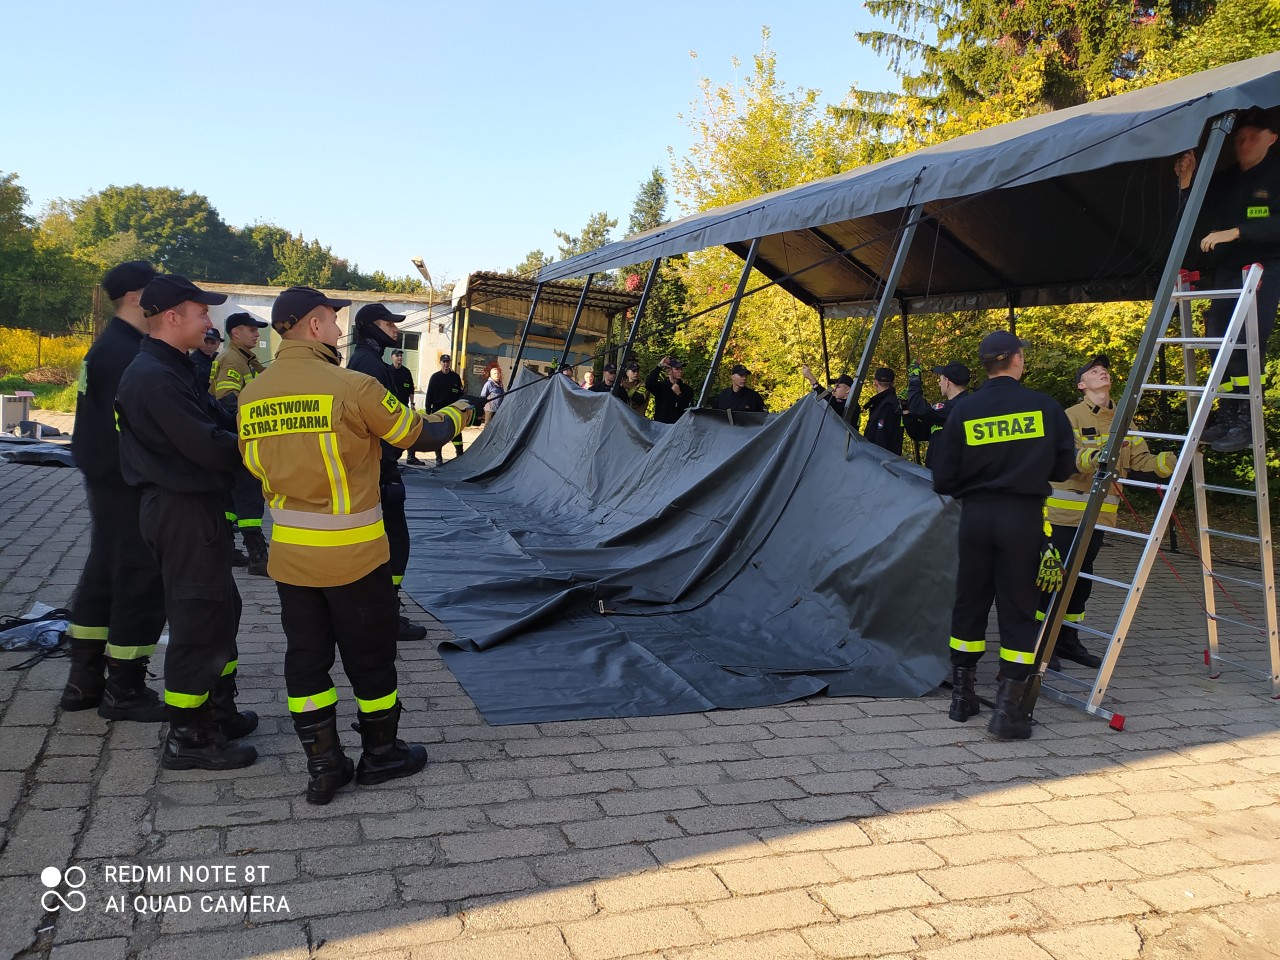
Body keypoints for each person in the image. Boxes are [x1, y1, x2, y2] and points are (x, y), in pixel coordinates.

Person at [238, 285, 473, 804]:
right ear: (313, 325)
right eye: (332, 319)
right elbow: (420, 433)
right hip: (356, 557)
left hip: (290, 558)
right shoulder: (354, 386)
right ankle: (381, 756)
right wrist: (463, 410)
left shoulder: (251, 395)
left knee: (305, 661)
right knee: (371, 660)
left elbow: (253, 466)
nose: (338, 329)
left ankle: (324, 767)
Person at [115, 274, 258, 770]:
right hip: (180, 511)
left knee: (222, 609)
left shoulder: (174, 367)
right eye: (201, 313)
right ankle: (189, 736)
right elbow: (208, 445)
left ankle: (218, 710)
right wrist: (267, 449)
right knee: (198, 619)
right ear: (172, 317)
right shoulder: (153, 377)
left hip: (194, 509)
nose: (209, 322)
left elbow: (218, 420)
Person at [930, 331, 1076, 740]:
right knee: (1018, 608)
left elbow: (943, 478)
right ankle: (1009, 710)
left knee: (970, 601)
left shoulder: (965, 409)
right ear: (1015, 359)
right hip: (1022, 517)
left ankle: (962, 698)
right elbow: (1063, 468)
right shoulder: (1044, 407)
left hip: (975, 518)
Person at [59, 260, 168, 723]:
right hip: (127, 479)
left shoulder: (109, 345)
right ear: (134, 297)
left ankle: (84, 680)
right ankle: (125, 689)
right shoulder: (128, 352)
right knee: (139, 576)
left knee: (103, 570)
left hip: (105, 475)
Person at [1040, 354, 1175, 670]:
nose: (1102, 372)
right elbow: (1065, 457)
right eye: (1093, 371)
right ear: (1081, 385)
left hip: (1099, 517)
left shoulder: (1124, 422)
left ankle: (1068, 640)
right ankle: (1042, 641)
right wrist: (1094, 457)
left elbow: (1141, 461)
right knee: (1053, 578)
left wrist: (1172, 460)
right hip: (1064, 516)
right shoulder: (1069, 417)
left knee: (1082, 581)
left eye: (1104, 369)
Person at [1175, 105, 1280, 453]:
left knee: (1248, 342)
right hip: (1226, 270)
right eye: (1240, 138)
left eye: (1252, 137)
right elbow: (1194, 214)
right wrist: (1187, 180)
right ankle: (1227, 414)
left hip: (1263, 269)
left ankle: (1247, 419)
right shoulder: (1225, 179)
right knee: (1218, 341)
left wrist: (1236, 231)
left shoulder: (1276, 175)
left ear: (1272, 139)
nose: (1244, 144)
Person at [347, 303, 426, 643]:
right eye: (388, 323)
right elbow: (392, 425)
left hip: (374, 465)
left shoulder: (367, 362)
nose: (395, 329)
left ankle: (377, 609)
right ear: (370, 327)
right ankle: (386, 614)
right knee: (394, 541)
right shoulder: (370, 366)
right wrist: (454, 416)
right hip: (379, 467)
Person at [211, 312, 270, 576]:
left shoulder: (243, 358)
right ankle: (258, 555)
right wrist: (252, 424)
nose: (257, 334)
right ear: (236, 332)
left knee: (230, 501)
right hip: (239, 437)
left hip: (231, 437)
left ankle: (225, 550)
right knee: (249, 496)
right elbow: (226, 398)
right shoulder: (233, 360)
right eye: (252, 330)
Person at [904, 360, 972, 470]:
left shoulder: (959, 407)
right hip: (937, 474)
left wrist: (914, 380)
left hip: (952, 474)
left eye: (940, 380)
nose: (939, 383)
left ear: (947, 381)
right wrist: (906, 410)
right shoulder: (945, 412)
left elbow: (918, 408)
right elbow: (919, 433)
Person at [425, 353, 464, 465]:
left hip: (452, 410)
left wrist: (461, 408)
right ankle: (438, 458)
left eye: (448, 362)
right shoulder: (435, 377)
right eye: (444, 362)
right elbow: (429, 394)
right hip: (438, 410)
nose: (446, 364)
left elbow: (460, 394)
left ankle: (460, 454)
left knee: (456, 431)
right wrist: (428, 410)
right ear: (440, 363)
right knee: (439, 435)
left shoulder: (455, 377)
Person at [389, 349, 421, 465]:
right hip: (390, 408)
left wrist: (412, 404)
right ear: (392, 357)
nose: (399, 358)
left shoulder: (406, 372)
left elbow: (411, 389)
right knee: (391, 433)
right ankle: (389, 457)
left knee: (409, 431)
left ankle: (411, 457)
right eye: (397, 355)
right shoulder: (388, 371)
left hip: (404, 407)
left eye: (401, 356)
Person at [863, 367, 904, 455]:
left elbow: (881, 436)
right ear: (892, 383)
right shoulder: (892, 402)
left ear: (875, 382)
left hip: (879, 458)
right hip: (887, 457)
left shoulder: (886, 404)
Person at [646, 356, 693, 424]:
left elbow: (686, 407)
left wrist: (679, 394)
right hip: (661, 425)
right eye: (677, 369)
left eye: (681, 369)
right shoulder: (661, 386)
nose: (680, 371)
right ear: (669, 371)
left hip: (678, 426)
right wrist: (659, 366)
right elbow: (649, 384)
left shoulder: (687, 389)